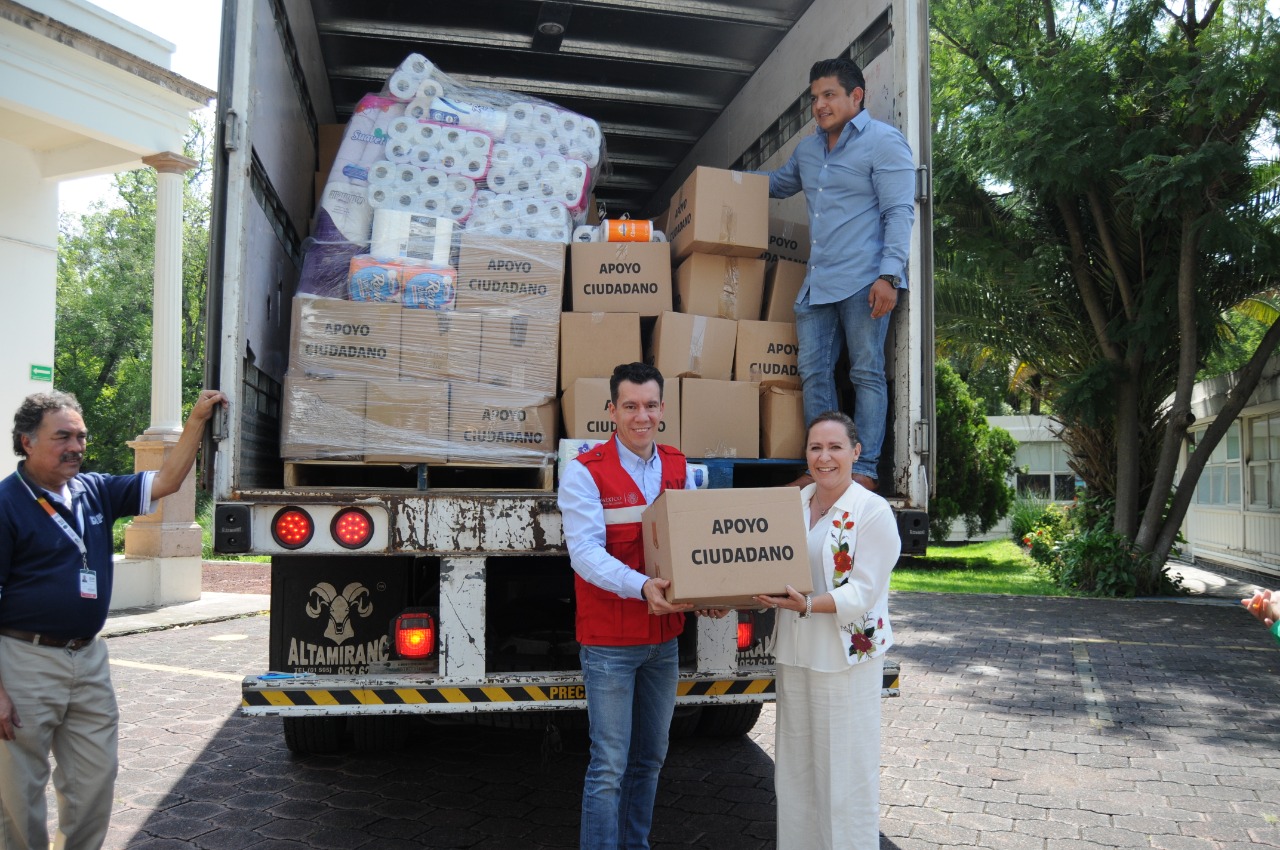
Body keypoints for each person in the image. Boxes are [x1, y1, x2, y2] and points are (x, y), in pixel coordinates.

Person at [0, 388, 228, 850]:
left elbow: (167, 480)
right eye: (63, 437)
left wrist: (197, 420)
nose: (76, 447)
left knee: (94, 781)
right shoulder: (6, 502)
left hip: (88, 658)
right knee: (18, 795)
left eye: (81, 436)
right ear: (27, 441)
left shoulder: (94, 490)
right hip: (24, 659)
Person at [558, 362, 721, 850]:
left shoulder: (677, 466)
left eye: (650, 405)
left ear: (663, 409)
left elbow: (691, 546)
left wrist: (708, 596)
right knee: (609, 764)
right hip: (610, 642)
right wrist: (643, 586)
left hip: (663, 642)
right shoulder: (584, 472)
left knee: (650, 758)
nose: (641, 416)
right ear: (611, 410)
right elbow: (585, 554)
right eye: (630, 406)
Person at [763, 56, 915, 491]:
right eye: (815, 98)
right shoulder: (808, 151)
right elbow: (776, 184)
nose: (820, 105)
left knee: (865, 373)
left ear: (856, 96)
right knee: (814, 375)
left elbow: (899, 211)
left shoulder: (884, 142)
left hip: (866, 280)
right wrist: (719, 180)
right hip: (818, 284)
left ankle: (863, 470)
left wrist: (890, 276)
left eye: (829, 95)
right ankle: (823, 468)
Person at [755, 411, 900, 850]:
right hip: (796, 654)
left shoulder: (872, 511)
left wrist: (807, 605)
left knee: (845, 778)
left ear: (856, 452)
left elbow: (865, 591)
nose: (825, 457)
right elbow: (765, 565)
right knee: (796, 772)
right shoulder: (793, 504)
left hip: (844, 660)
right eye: (815, 447)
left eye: (835, 447)